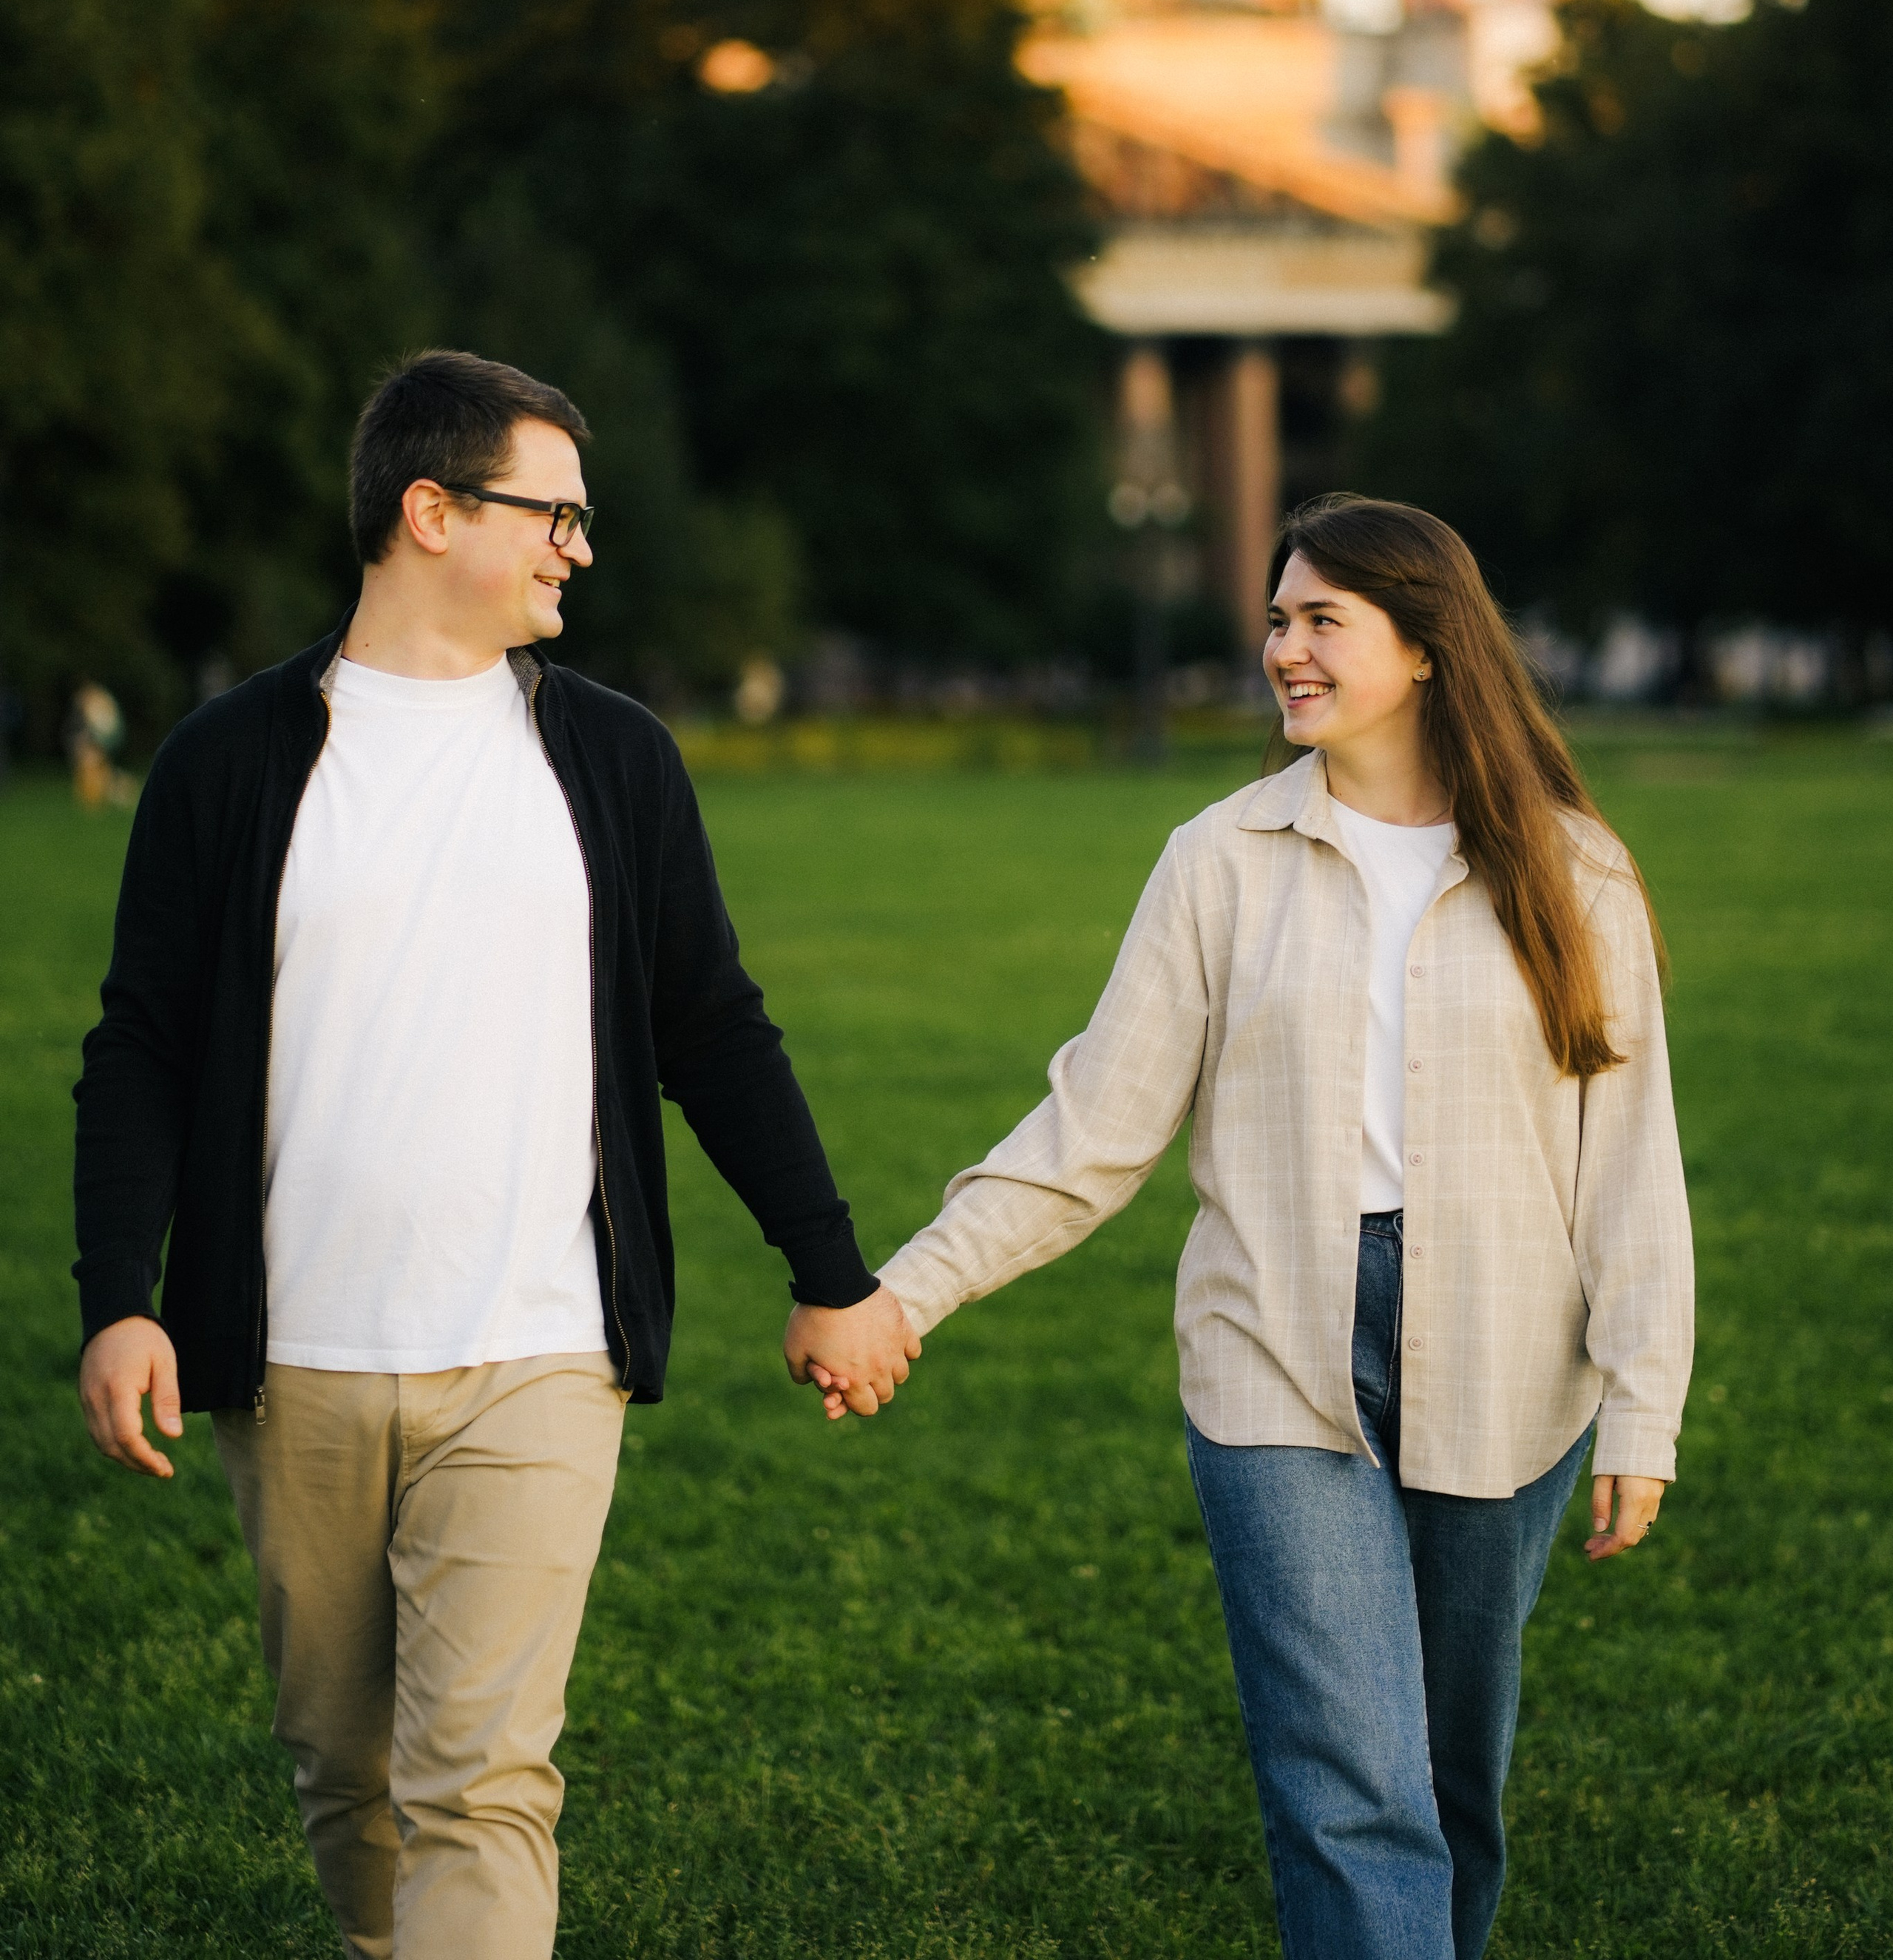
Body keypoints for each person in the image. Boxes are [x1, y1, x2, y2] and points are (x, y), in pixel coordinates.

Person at [72, 348, 917, 1960]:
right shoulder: (228, 761)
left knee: (482, 1783)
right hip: (293, 1357)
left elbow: (712, 1029)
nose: (578, 551)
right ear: (430, 511)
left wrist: (830, 1270)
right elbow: (143, 1048)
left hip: (540, 1349)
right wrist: (121, 1295)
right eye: (554, 516)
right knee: (348, 1772)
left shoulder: (613, 758)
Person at [865, 493, 1693, 1960]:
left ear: (1425, 645)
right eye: (1275, 619)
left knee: (1450, 1781)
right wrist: (904, 1293)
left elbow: (1628, 1164)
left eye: (1321, 620)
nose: (1282, 651)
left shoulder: (1578, 873)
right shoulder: (1219, 861)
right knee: (1351, 1790)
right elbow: (1093, 1128)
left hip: (1510, 1354)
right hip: (1275, 1352)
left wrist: (1644, 1403)